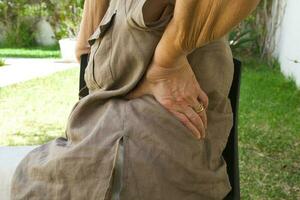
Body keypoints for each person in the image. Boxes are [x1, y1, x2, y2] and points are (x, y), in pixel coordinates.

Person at [11, 0, 260, 199]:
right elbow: (86, 51)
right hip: (97, 135)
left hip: (149, 153)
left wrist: (168, 59)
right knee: (25, 176)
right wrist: (91, 41)